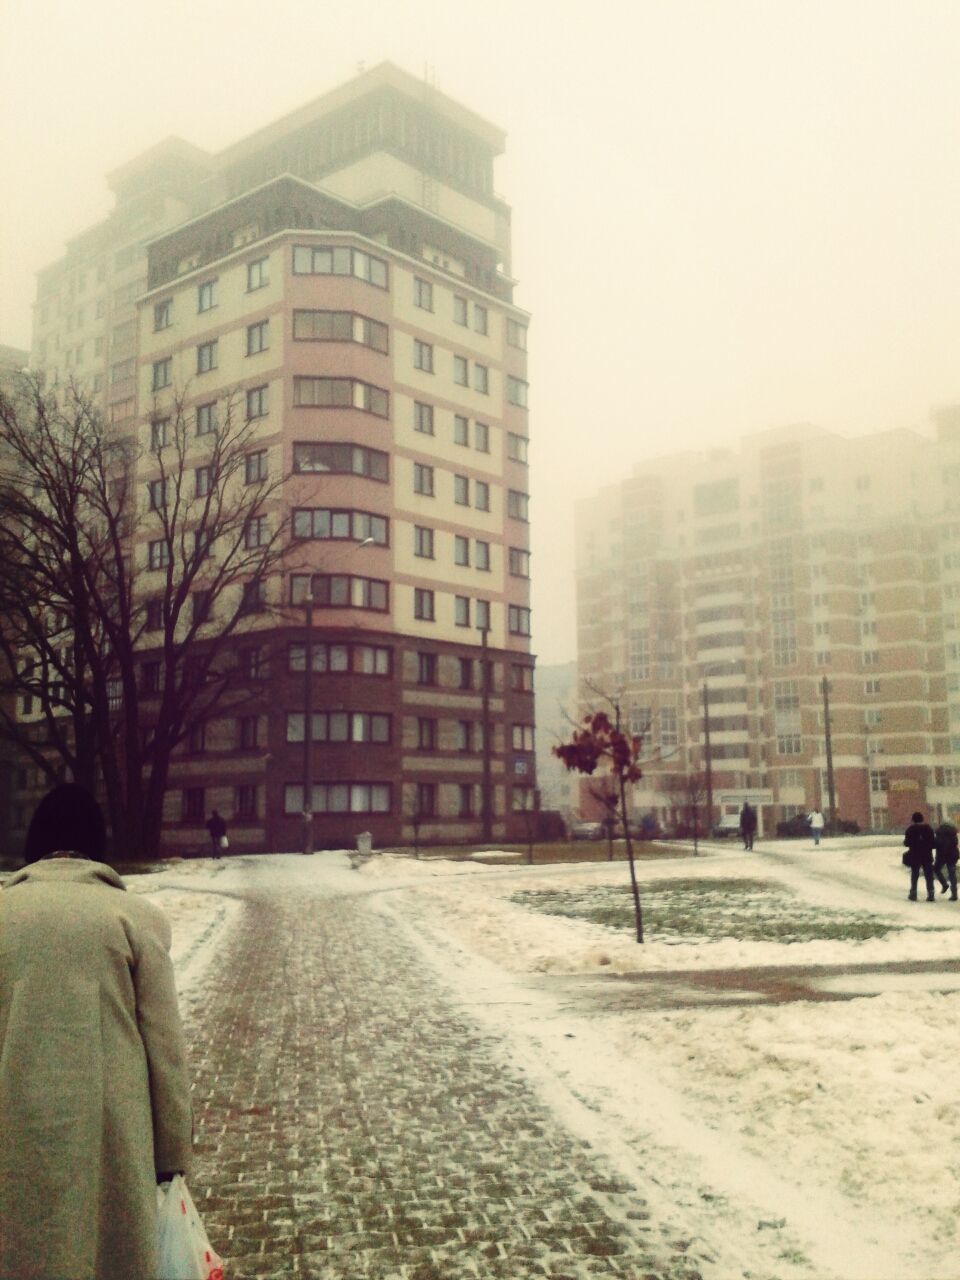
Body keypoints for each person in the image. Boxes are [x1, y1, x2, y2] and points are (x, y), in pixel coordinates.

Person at [0, 783, 193, 1280]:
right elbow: (164, 1049)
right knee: (110, 1253)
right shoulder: (133, 918)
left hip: (11, 1125)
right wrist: (171, 1157)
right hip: (111, 1129)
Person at [903, 810, 937, 902]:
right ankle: (931, 893)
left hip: (915, 855)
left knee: (915, 874)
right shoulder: (928, 829)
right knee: (928, 875)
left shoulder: (910, 829)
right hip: (927, 855)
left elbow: (906, 843)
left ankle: (913, 893)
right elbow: (933, 843)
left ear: (913, 820)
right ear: (922, 819)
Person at [934, 821, 960, 900]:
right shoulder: (953, 833)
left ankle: (944, 884)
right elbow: (955, 843)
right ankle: (954, 894)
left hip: (941, 856)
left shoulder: (939, 833)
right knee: (952, 874)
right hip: (952, 856)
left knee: (936, 869)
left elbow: (936, 843)